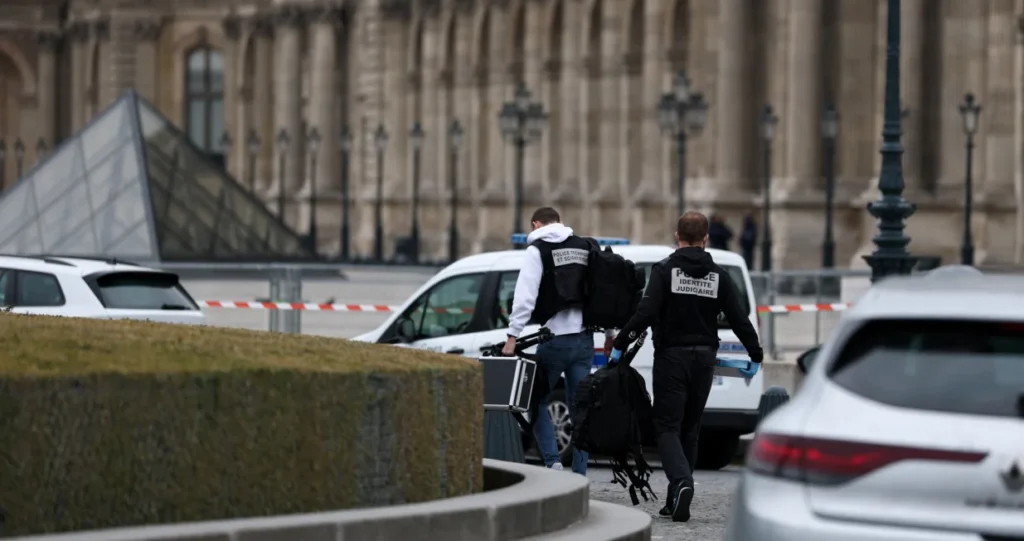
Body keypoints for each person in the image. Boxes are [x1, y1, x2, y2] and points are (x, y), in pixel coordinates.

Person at [610, 211, 763, 522]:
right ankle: (676, 499)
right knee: (690, 428)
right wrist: (755, 353)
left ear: (677, 236)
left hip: (672, 358)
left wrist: (620, 342)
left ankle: (682, 483)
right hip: (704, 360)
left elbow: (646, 312)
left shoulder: (665, 270)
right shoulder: (718, 275)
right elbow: (738, 318)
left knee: (666, 427)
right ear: (706, 239)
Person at [501, 207, 613, 475]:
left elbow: (525, 297)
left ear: (536, 224)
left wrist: (512, 336)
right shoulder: (586, 246)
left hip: (553, 341)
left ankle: (553, 462)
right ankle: (580, 473)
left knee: (536, 400)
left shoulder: (537, 251)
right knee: (580, 408)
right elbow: (603, 292)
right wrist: (610, 334)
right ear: (560, 222)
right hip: (584, 341)